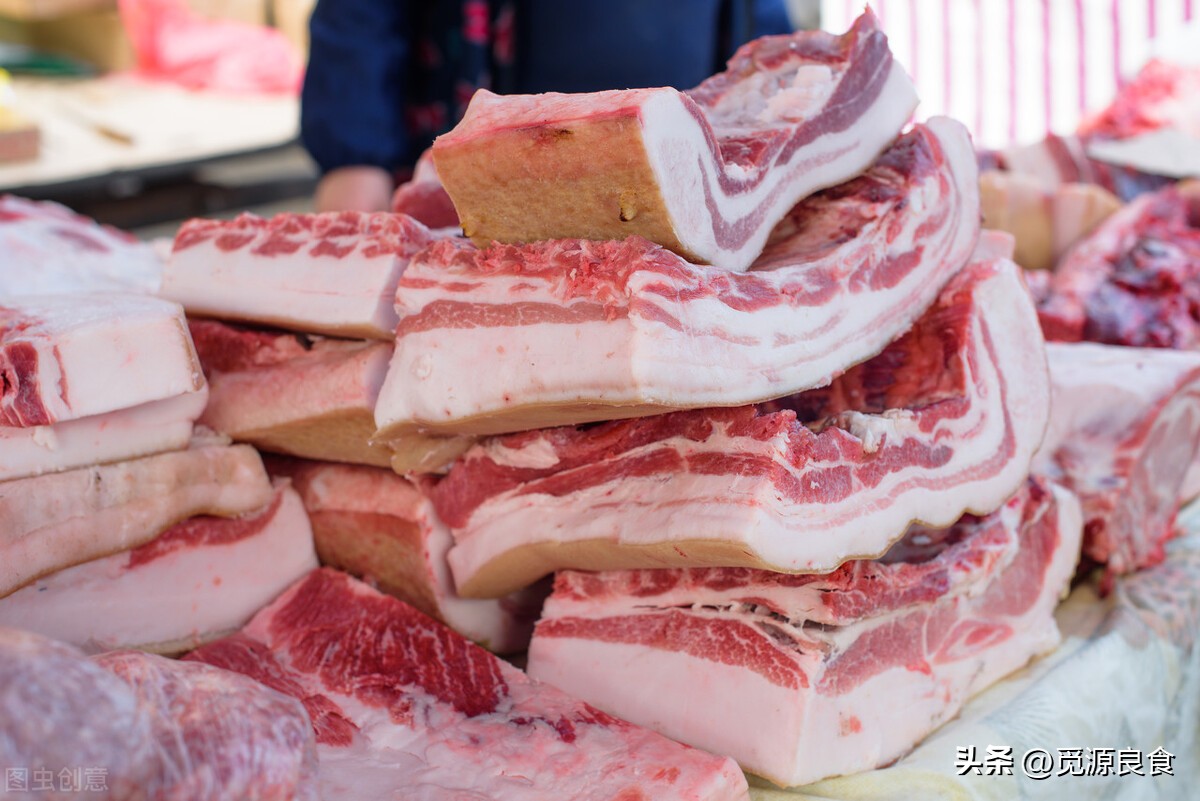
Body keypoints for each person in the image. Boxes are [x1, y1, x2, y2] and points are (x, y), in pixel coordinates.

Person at [301, 0, 792, 212]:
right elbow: (360, 15)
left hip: (678, 168)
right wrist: (354, 154)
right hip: (473, 167)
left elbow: (760, 20)